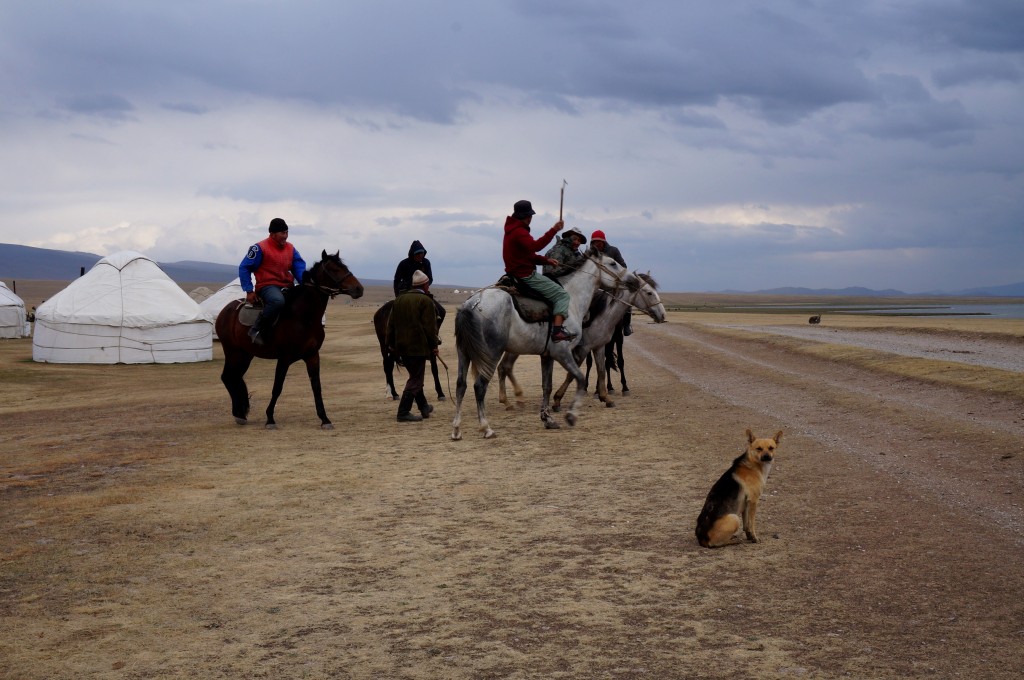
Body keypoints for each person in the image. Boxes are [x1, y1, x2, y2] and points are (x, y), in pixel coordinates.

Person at [503, 199, 577, 343]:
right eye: (531, 216)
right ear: (527, 216)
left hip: (513, 273)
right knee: (562, 295)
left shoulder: (511, 230)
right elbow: (536, 246)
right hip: (525, 275)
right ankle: (557, 332)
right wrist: (554, 230)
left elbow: (528, 255)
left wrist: (546, 261)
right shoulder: (519, 232)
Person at [238, 217, 307, 346]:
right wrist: (249, 290)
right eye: (282, 233)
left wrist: (305, 283)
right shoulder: (259, 248)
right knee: (277, 301)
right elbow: (244, 267)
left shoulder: (290, 248)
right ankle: (256, 329)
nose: (285, 236)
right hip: (267, 286)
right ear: (272, 234)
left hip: (287, 284)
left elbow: (298, 267)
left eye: (287, 232)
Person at [386, 270, 439, 422]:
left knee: (415, 375)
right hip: (417, 347)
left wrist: (389, 344)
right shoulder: (426, 301)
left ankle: (423, 407)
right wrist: (434, 346)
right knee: (416, 379)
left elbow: (391, 325)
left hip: (401, 346)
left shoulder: (399, 299)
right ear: (425, 284)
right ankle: (403, 412)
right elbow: (430, 328)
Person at [393, 239, 446, 327]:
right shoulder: (403, 264)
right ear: (413, 254)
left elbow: (430, 278)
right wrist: (397, 296)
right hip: (406, 292)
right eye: (418, 253)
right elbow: (396, 280)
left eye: (422, 253)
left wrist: (424, 286)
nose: (420, 255)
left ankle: (435, 334)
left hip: (423, 292)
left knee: (441, 311)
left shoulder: (426, 262)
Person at [590, 229, 632, 335]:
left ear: (604, 241)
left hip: (613, 284)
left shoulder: (613, 251)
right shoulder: (591, 254)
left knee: (627, 297)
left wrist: (614, 277)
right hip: (597, 285)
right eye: (595, 242)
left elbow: (623, 266)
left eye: (599, 241)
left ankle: (627, 325)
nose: (597, 244)